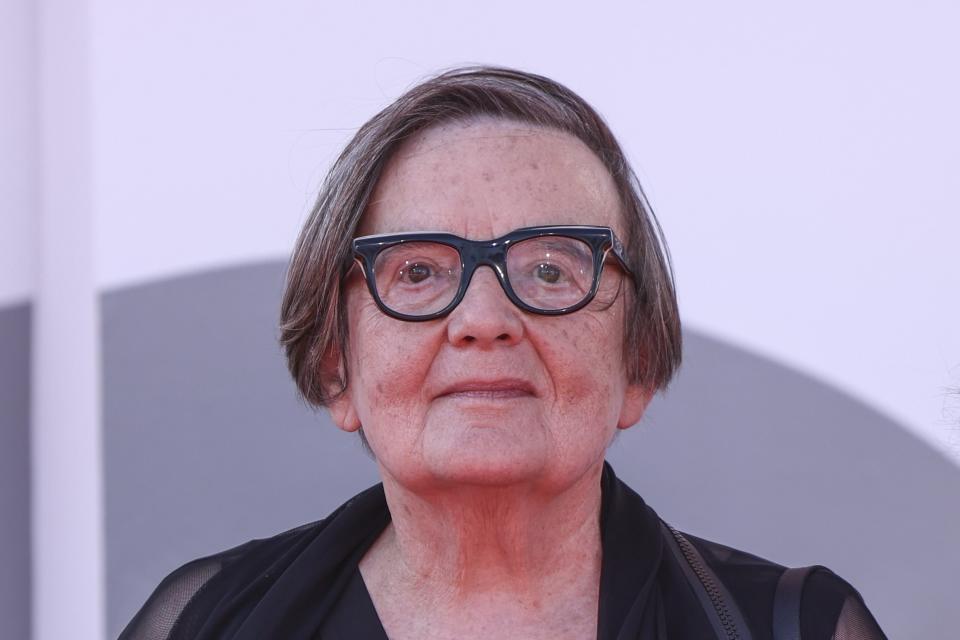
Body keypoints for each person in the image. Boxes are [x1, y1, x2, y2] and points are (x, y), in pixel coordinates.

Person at [120, 66, 886, 640]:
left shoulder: (797, 628)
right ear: (335, 366)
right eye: (417, 272)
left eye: (551, 269)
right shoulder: (206, 623)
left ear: (640, 363)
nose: (484, 320)